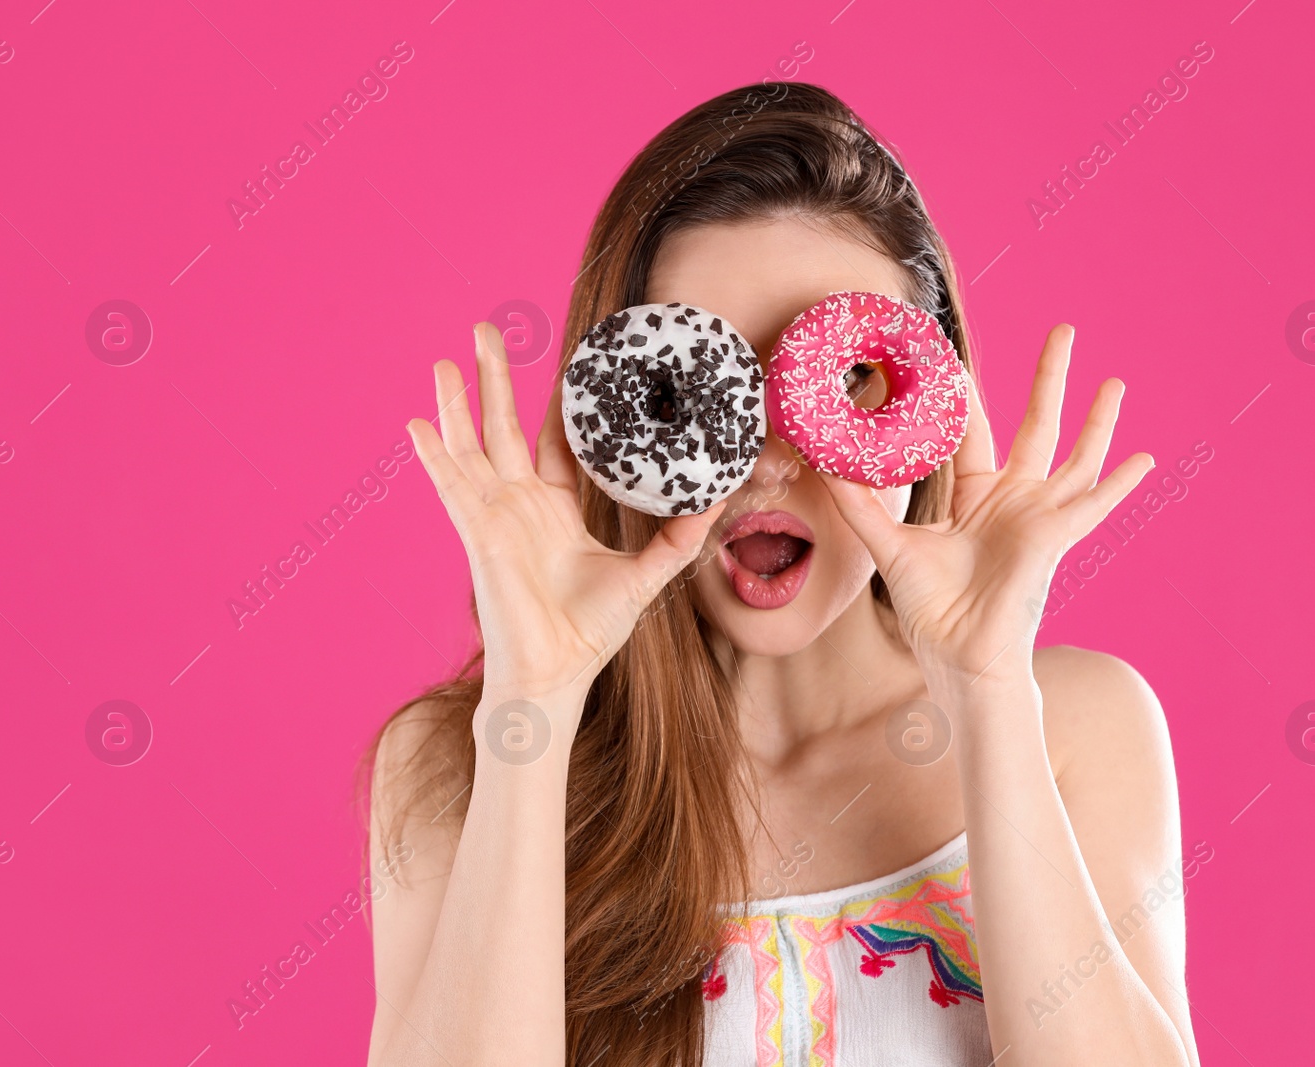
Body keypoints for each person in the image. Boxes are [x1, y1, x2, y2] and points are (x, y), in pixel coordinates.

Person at [362, 82, 1199, 1067]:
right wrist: (534, 706)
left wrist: (986, 693)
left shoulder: (1077, 725)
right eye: (693, 382)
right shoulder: (453, 763)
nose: (765, 459)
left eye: (846, 378)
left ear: (931, 407)